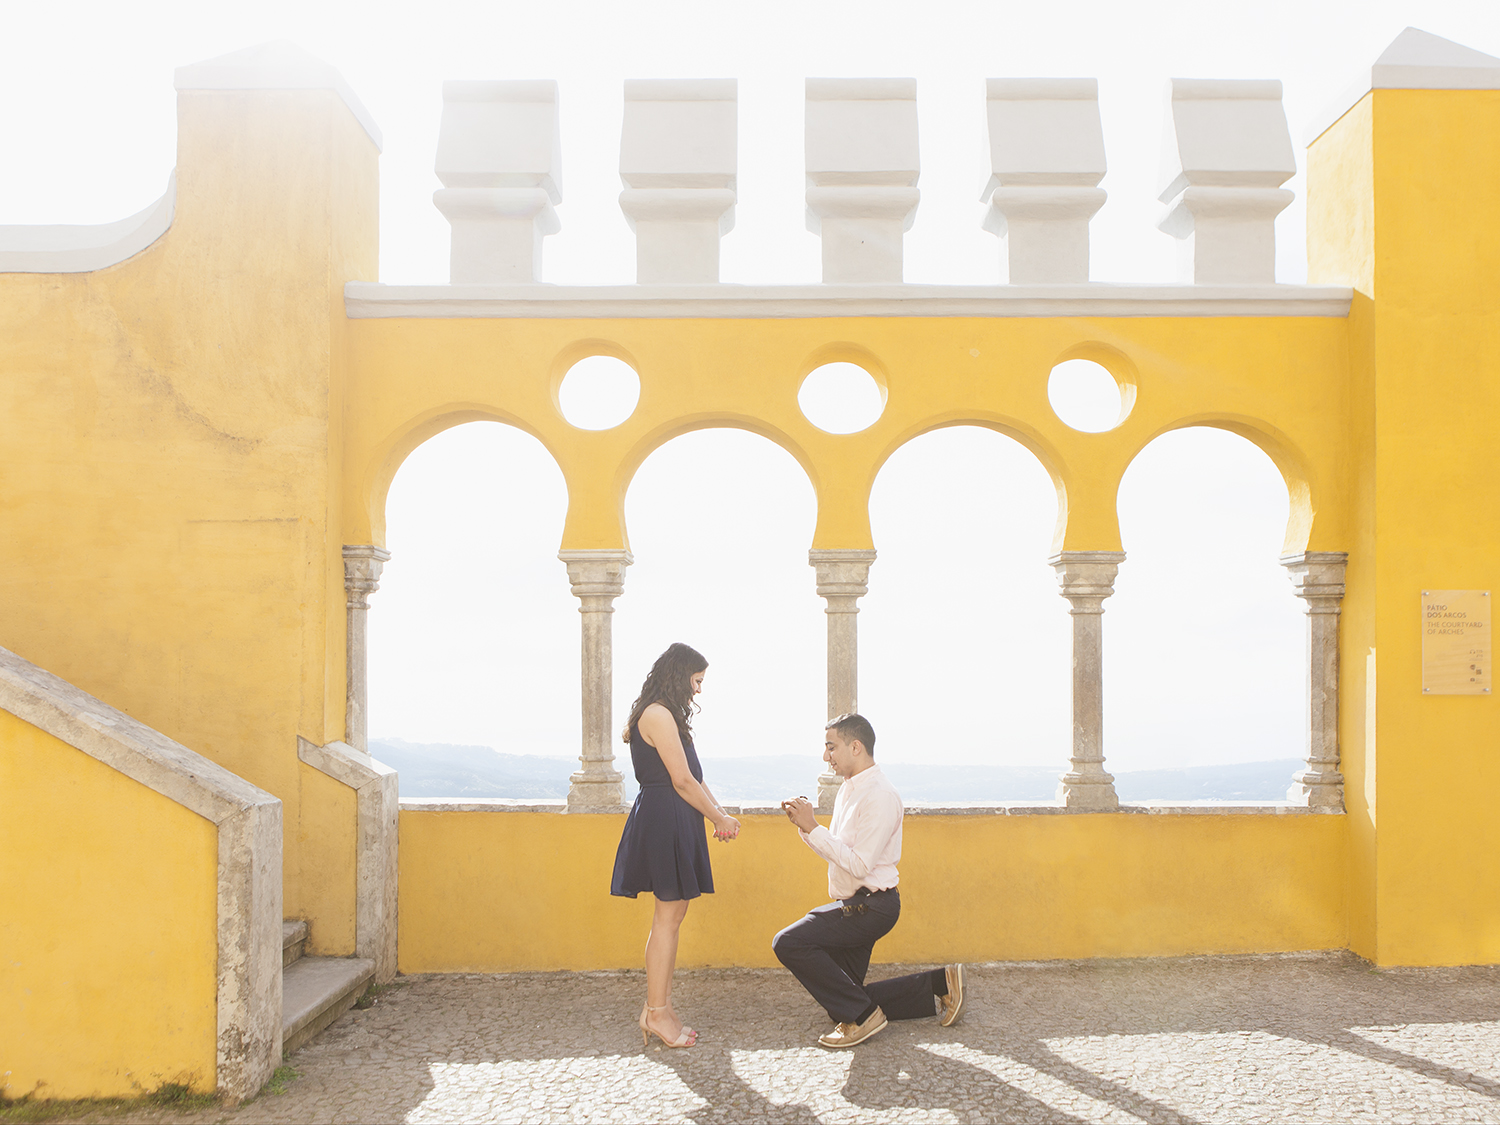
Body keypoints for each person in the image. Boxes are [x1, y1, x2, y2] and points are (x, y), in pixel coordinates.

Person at [773, 713, 965, 1048]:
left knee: (788, 942)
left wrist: (813, 827)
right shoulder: (852, 788)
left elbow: (859, 865)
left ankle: (863, 1019)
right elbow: (841, 852)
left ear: (856, 746)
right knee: (845, 997)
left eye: (831, 747)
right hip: (855, 903)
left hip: (870, 907)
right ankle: (941, 983)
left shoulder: (879, 795)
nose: (825, 756)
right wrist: (807, 827)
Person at [610, 642, 741, 1049]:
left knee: (672, 917)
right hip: (665, 818)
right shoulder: (657, 714)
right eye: (697, 680)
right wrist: (718, 818)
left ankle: (657, 1009)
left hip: (675, 816)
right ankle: (657, 1012)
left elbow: (693, 777)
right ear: (680, 674)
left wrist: (720, 814)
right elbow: (681, 781)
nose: (699, 690)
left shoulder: (665, 715)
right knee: (667, 919)